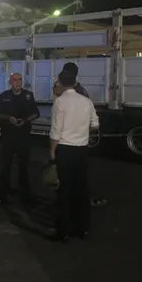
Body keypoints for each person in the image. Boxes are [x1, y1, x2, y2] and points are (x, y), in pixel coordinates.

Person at [49, 70, 99, 242]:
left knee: (64, 191)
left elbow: (56, 131)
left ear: (61, 82)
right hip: (82, 150)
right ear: (75, 83)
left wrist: (52, 152)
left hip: (65, 149)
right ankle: (82, 228)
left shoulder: (60, 102)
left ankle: (62, 231)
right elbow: (95, 124)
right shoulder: (86, 101)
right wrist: (81, 129)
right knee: (81, 189)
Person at [59, 62, 107, 208]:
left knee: (70, 177)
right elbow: (93, 123)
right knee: (78, 176)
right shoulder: (81, 92)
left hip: (68, 143)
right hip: (79, 143)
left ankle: (73, 204)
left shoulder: (72, 93)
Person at [0, 72, 40, 205]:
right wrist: (9, 118)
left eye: (20, 80)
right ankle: (3, 194)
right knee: (5, 166)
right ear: (10, 82)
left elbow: (36, 113)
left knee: (24, 167)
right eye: (15, 80)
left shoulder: (28, 95)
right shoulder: (4, 96)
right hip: (8, 137)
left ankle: (25, 194)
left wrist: (25, 120)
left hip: (23, 137)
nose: (18, 82)